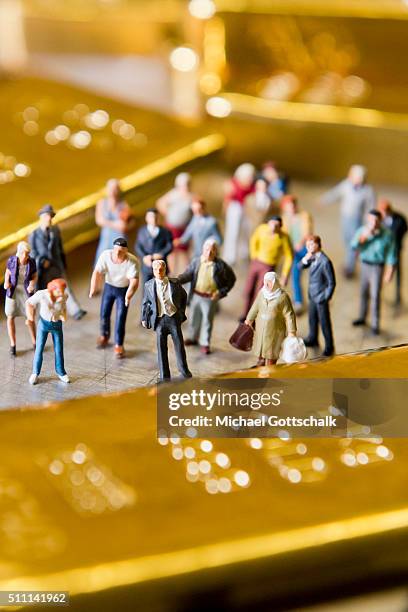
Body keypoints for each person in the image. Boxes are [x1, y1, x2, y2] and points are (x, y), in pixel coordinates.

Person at [178, 239, 236, 355]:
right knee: (194, 317)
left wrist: (221, 292)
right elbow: (188, 274)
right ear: (203, 249)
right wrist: (178, 280)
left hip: (210, 298)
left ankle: (205, 342)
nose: (209, 252)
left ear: (216, 251)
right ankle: (192, 337)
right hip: (196, 295)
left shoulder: (220, 265)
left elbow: (231, 279)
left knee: (207, 321)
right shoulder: (196, 262)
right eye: (207, 249)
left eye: (212, 250)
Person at [29, 204, 87, 320]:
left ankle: (75, 310)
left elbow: (60, 247)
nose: (49, 219)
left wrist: (63, 262)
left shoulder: (55, 230)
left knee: (65, 286)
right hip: (43, 269)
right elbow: (32, 252)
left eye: (50, 216)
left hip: (56, 265)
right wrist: (41, 261)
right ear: (41, 217)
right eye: (46, 216)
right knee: (43, 291)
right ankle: (43, 315)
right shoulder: (34, 234)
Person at [141, 260, 192, 382]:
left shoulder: (174, 283)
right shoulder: (148, 285)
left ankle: (184, 371)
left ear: (165, 269)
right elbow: (145, 303)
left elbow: (184, 296)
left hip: (173, 318)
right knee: (161, 349)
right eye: (156, 269)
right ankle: (164, 376)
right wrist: (144, 318)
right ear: (153, 271)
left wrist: (181, 313)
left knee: (179, 346)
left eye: (161, 269)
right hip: (159, 320)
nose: (159, 271)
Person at [321, 165, 376, 278]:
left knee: (353, 243)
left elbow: (371, 207)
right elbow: (335, 193)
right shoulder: (346, 185)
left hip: (356, 219)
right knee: (346, 240)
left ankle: (349, 267)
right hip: (345, 218)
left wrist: (370, 222)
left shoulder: (368, 190)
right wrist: (324, 200)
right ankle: (349, 262)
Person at [89, 238, 139, 358]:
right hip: (109, 287)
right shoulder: (106, 255)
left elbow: (134, 281)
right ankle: (104, 335)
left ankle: (119, 344)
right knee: (104, 313)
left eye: (121, 251)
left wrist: (129, 295)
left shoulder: (132, 261)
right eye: (115, 250)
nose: (117, 253)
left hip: (123, 290)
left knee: (121, 317)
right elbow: (97, 272)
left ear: (126, 251)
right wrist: (93, 288)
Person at [351, 210, 397, 335]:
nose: (374, 223)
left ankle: (375, 324)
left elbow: (392, 254)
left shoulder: (387, 234)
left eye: (376, 220)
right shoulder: (362, 231)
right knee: (363, 292)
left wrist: (390, 272)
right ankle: (362, 317)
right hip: (365, 264)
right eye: (371, 220)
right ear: (367, 219)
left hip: (378, 266)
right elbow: (354, 245)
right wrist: (366, 236)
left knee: (375, 294)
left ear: (380, 221)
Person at [241, 216, 293, 319]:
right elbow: (253, 240)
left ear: (280, 226)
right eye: (272, 224)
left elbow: (289, 256)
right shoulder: (261, 229)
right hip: (256, 262)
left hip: (269, 266)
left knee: (260, 292)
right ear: (268, 223)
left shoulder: (284, 237)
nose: (273, 227)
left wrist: (285, 274)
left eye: (277, 225)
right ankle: (245, 313)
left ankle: (254, 316)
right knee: (249, 289)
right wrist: (254, 255)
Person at [245, 271, 297, 367]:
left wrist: (291, 331)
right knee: (261, 347)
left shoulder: (283, 297)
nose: (267, 284)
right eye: (265, 281)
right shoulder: (262, 293)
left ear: (275, 283)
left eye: (269, 282)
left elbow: (289, 314)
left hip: (275, 330)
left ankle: (270, 367)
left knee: (271, 351)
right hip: (261, 329)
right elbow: (255, 307)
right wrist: (249, 319)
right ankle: (260, 362)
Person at [26, 278, 70, 385]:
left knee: (59, 349)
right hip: (44, 325)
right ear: (52, 289)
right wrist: (30, 316)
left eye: (63, 291)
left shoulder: (64, 296)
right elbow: (29, 302)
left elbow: (64, 309)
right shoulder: (42, 295)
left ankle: (61, 372)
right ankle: (35, 373)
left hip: (57, 325)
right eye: (59, 291)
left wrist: (63, 316)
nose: (62, 294)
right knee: (39, 348)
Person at [300, 235, 336, 357]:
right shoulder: (312, 257)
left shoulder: (325, 261)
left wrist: (325, 297)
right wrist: (306, 258)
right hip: (312, 295)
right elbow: (300, 267)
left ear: (317, 245)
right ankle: (313, 338)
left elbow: (331, 282)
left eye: (310, 245)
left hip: (320, 297)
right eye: (307, 245)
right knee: (312, 319)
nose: (308, 247)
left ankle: (329, 346)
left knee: (324, 322)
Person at [4, 241, 37, 356]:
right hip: (13, 291)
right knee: (10, 316)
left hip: (25, 292)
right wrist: (6, 282)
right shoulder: (12, 261)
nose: (27, 256)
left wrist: (32, 284)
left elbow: (34, 275)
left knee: (31, 317)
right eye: (25, 254)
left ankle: (35, 342)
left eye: (28, 254)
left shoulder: (31, 262)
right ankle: (13, 345)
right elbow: (8, 272)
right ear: (20, 253)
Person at [281, 195, 313, 313]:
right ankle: (298, 301)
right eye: (288, 206)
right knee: (295, 275)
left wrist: (301, 242)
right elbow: (284, 235)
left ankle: (319, 295)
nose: (291, 208)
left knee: (315, 271)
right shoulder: (284, 219)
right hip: (293, 251)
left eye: (293, 205)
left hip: (305, 248)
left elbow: (308, 231)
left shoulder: (304, 216)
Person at [156, 172, 193, 274]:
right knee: (172, 252)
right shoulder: (173, 194)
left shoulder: (191, 196)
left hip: (184, 228)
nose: (185, 187)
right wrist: (167, 213)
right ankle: (172, 273)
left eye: (187, 184)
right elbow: (160, 203)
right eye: (183, 185)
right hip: (172, 227)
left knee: (185, 252)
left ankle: (188, 273)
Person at [223, 163, 255, 265]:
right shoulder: (233, 183)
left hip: (247, 209)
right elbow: (228, 197)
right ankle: (230, 256)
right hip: (235, 208)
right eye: (248, 176)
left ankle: (244, 253)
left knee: (246, 230)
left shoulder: (252, 186)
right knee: (233, 232)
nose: (250, 179)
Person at [95, 178, 134, 263]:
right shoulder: (102, 203)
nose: (113, 191)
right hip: (106, 238)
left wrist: (125, 226)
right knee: (103, 261)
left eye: (115, 188)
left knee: (120, 260)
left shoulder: (123, 205)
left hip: (119, 237)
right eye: (111, 188)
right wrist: (114, 224)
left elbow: (131, 222)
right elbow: (99, 220)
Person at [377, 198, 408, 306]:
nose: (383, 213)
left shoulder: (400, 219)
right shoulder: (379, 219)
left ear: (389, 210)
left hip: (396, 250)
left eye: (384, 211)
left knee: (398, 273)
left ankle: (398, 297)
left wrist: (396, 240)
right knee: (379, 272)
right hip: (382, 251)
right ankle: (378, 294)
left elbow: (404, 229)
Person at [135, 208, 173, 283]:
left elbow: (169, 246)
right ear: (146, 218)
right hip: (147, 265)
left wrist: (161, 254)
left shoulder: (165, 231)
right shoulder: (141, 231)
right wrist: (144, 257)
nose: (153, 219)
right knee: (147, 286)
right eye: (151, 217)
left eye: (156, 217)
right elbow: (138, 246)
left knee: (163, 284)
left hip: (161, 264)